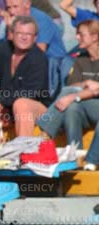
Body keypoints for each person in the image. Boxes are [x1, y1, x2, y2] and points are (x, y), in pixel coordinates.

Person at [0, 17, 50, 136]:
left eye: (28, 34)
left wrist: (1, 101)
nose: (24, 37)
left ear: (35, 37)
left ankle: (24, 145)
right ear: (12, 34)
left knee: (21, 104)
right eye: (20, 33)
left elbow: (31, 92)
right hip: (6, 105)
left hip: (36, 108)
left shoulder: (39, 59)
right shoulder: (4, 48)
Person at [37, 20, 99, 170]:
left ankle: (46, 132)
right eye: (77, 34)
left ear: (95, 36)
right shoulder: (81, 59)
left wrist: (75, 96)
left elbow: (94, 90)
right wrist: (86, 84)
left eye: (81, 34)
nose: (77, 37)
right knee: (72, 107)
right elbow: (72, 86)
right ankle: (75, 156)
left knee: (69, 97)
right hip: (88, 106)